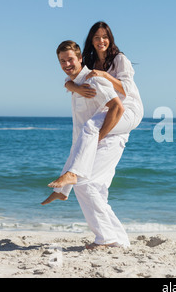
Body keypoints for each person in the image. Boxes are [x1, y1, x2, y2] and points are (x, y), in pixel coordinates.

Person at [43, 40, 130, 249]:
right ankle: (119, 240)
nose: (67, 64)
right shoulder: (74, 82)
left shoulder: (94, 81)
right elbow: (67, 81)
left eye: (70, 59)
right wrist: (73, 86)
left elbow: (118, 108)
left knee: (85, 184)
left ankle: (105, 238)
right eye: (62, 61)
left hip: (108, 140)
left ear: (81, 58)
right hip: (93, 141)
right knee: (97, 190)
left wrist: (98, 138)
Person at [43, 21, 143, 199]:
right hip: (109, 109)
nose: (101, 41)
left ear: (110, 39)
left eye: (105, 37)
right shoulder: (90, 60)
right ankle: (61, 191)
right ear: (91, 40)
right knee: (80, 135)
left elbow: (126, 89)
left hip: (129, 110)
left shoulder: (119, 59)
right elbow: (72, 78)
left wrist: (104, 74)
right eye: (97, 38)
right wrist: (75, 88)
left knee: (91, 127)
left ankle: (74, 173)